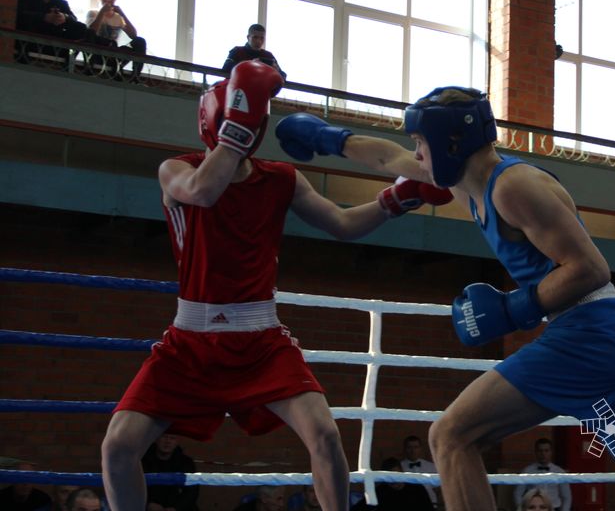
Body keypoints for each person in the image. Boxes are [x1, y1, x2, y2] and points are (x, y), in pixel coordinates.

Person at [275, 86, 615, 511]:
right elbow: (388, 156)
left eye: (421, 142)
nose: (415, 154)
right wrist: (327, 137)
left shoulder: (512, 187)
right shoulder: (469, 179)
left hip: (593, 330)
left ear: (449, 141)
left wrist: (513, 308)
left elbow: (590, 268)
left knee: (452, 436)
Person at [99, 61, 453, 511]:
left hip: (261, 340)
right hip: (190, 342)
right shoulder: (177, 169)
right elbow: (204, 192)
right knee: (118, 445)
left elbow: (342, 224)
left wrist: (397, 199)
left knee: (324, 434)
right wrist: (236, 131)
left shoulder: (281, 179)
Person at [85, 0, 147, 80]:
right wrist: (102, 12)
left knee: (140, 41)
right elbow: (91, 32)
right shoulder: (93, 13)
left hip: (113, 54)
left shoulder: (118, 18)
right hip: (97, 53)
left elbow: (134, 35)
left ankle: (135, 77)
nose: (108, 0)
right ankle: (89, 68)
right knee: (93, 36)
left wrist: (122, 13)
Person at [141, 433, 200, 511]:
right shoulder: (142, 460)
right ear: (156, 439)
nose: (168, 441)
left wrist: (176, 508)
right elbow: (133, 487)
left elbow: (192, 491)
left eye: (172, 438)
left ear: (177, 442)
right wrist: (148, 503)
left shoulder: (185, 462)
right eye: (164, 437)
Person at [349, 458, 433, 511]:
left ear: (401, 472)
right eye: (389, 478)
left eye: (395, 476)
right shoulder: (380, 491)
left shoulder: (417, 489)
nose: (393, 480)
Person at [513, 438, 570, 511]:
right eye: (540, 451)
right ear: (535, 452)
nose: (543, 454)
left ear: (551, 452)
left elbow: (566, 497)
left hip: (555, 508)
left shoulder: (560, 472)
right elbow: (517, 494)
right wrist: (522, 509)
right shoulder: (527, 471)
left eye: (546, 451)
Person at [399, 435, 438, 507]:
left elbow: (438, 489)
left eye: (416, 447)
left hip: (430, 504)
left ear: (420, 449)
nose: (412, 451)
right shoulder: (399, 468)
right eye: (409, 447)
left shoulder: (431, 466)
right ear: (405, 449)